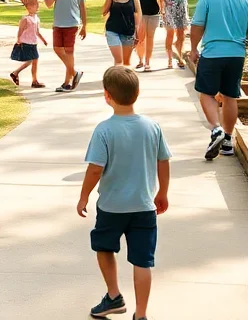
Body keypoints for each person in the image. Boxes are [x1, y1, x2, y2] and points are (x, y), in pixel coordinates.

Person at [77, 66, 171, 320]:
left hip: (111, 207)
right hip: (144, 206)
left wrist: (84, 196)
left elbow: (95, 170)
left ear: (106, 95)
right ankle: (141, 315)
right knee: (143, 261)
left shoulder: (104, 130)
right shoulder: (152, 127)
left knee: (104, 247)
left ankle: (114, 295)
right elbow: (163, 161)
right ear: (138, 92)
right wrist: (162, 192)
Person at [187, 0, 248, 161]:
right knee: (231, 96)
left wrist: (193, 48)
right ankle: (228, 141)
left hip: (213, 52)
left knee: (206, 94)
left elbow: (197, 25)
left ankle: (216, 129)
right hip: (236, 54)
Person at [45, 0, 87, 92]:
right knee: (59, 49)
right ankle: (74, 73)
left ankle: (67, 83)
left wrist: (85, 26)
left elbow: (82, 8)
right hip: (60, 23)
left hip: (71, 24)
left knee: (69, 52)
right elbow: (49, 3)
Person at [102, 0, 142, 67]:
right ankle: (117, 79)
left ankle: (125, 80)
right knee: (119, 60)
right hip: (113, 30)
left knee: (126, 62)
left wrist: (136, 31)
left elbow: (138, 15)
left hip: (128, 31)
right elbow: (104, 12)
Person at [130, 0, 162, 72]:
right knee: (140, 38)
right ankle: (140, 59)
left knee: (150, 38)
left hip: (153, 13)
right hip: (140, 13)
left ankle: (148, 61)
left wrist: (162, 10)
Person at [10, 0, 49, 88]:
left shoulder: (36, 18)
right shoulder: (25, 19)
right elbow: (20, 30)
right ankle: (31, 79)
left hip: (33, 42)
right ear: (29, 7)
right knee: (32, 60)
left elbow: (37, 31)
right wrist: (18, 39)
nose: (37, 8)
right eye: (36, 6)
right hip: (26, 42)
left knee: (33, 60)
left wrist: (43, 40)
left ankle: (18, 74)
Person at [161, 0, 189, 69]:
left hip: (182, 7)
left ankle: (180, 54)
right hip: (170, 7)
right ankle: (169, 59)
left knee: (181, 34)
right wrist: (162, 9)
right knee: (170, 33)